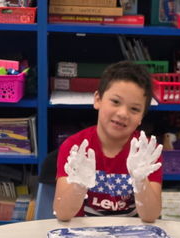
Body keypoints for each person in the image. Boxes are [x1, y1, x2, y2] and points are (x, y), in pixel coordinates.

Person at [54, 61, 164, 223]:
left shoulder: (146, 151)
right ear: (98, 99)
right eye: (115, 102)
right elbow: (62, 214)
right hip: (83, 236)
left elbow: (150, 216)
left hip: (132, 236)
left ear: (142, 116)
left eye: (134, 109)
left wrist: (141, 182)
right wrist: (78, 185)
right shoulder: (75, 147)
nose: (122, 113)